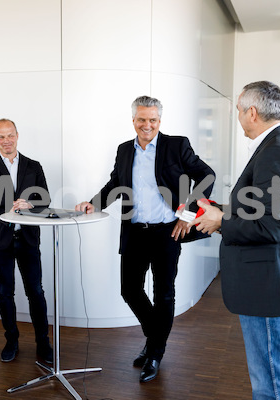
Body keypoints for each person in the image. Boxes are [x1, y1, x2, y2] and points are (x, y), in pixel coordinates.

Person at [189, 81, 280, 399]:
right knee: (273, 369)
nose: (238, 117)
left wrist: (221, 220)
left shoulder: (275, 151)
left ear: (252, 112)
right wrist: (226, 209)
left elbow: (270, 227)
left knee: (270, 378)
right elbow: (270, 209)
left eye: (238, 109)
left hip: (268, 284)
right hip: (275, 279)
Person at [76, 96, 215, 383]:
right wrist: (94, 203)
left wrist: (188, 215)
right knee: (130, 289)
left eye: (152, 119)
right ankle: (155, 341)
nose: (147, 125)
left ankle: (155, 352)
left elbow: (206, 175)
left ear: (159, 121)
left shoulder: (177, 145)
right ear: (133, 121)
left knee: (164, 294)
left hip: (168, 232)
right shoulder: (124, 150)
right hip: (135, 231)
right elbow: (116, 183)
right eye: (141, 119)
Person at [0, 118, 53, 364]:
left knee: (36, 292)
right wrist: (8, 205)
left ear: (17, 135)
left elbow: (45, 200)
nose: (6, 141)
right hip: (0, 241)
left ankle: (43, 344)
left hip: (28, 239)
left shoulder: (34, 166)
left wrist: (30, 204)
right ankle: (12, 341)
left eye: (10, 135)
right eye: (1, 137)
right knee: (5, 292)